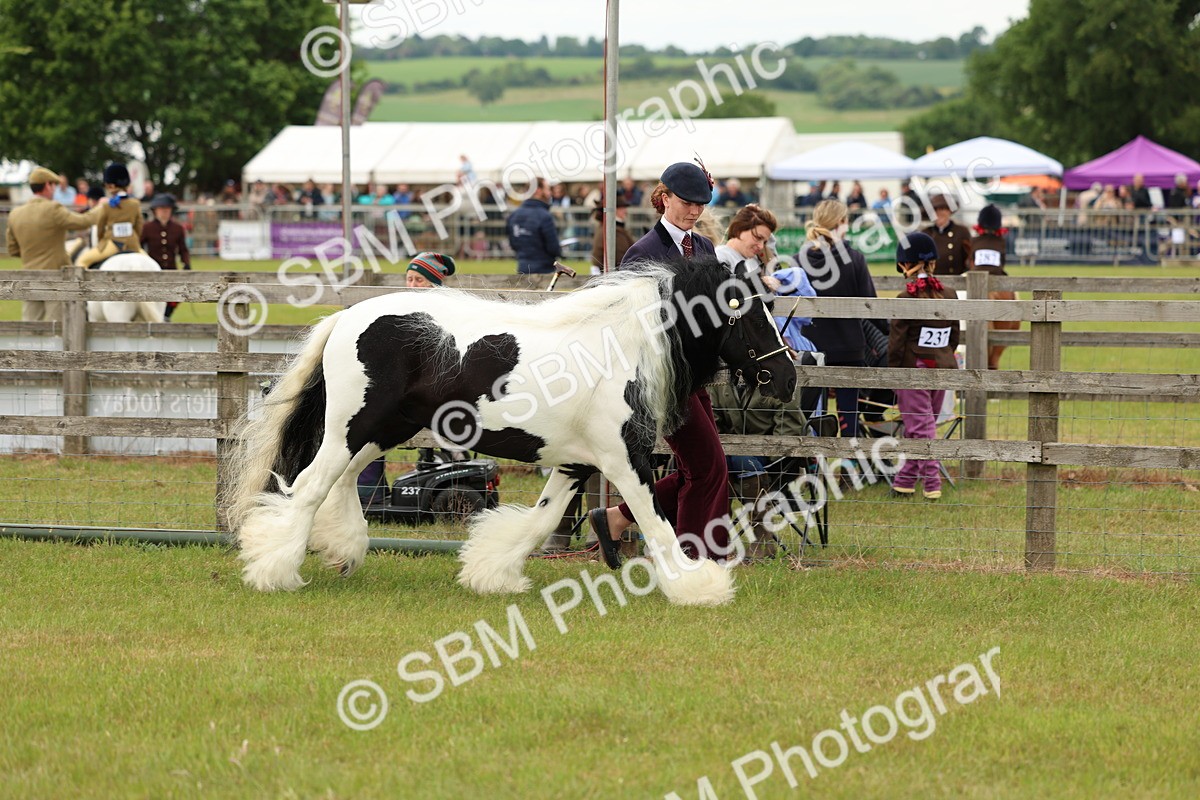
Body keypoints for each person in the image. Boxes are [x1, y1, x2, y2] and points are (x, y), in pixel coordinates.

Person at [589, 160, 729, 566]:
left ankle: (617, 518)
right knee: (708, 466)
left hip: (696, 376)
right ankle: (692, 558)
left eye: (701, 204)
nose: (695, 211)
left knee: (699, 468)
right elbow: (630, 325)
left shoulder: (704, 248)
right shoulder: (643, 253)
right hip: (660, 382)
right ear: (664, 197)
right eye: (687, 202)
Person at [357, 253, 458, 504]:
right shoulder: (398, 309)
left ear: (435, 284)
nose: (412, 285)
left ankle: (448, 474)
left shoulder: (450, 312)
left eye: (419, 280)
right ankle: (370, 492)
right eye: (409, 279)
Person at [795, 198, 884, 443]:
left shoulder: (798, 259)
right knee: (848, 415)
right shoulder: (854, 258)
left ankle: (813, 467)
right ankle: (849, 468)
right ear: (842, 223)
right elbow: (870, 304)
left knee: (814, 414)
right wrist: (889, 331)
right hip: (849, 346)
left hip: (811, 347)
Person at [888, 232, 960, 500]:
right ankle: (904, 481)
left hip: (913, 371)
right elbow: (954, 336)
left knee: (921, 428)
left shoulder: (905, 299)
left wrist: (895, 375)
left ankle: (932, 484)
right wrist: (944, 355)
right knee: (920, 427)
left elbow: (895, 345)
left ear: (906, 264)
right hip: (941, 368)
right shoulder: (950, 294)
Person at [5, 166, 103, 321]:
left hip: (29, 275)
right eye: (54, 185)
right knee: (56, 327)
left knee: (30, 327)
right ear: (47, 185)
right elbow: (84, 222)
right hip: (55, 276)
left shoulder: (15, 213)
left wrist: (31, 256)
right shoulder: (53, 208)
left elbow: (12, 250)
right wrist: (101, 207)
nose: (55, 190)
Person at [970, 204, 1017, 370]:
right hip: (998, 280)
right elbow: (1002, 264)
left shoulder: (973, 241)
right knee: (1016, 302)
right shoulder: (1001, 242)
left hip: (976, 282)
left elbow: (971, 263)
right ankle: (994, 361)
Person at [76, 163, 143, 268]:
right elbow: (139, 226)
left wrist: (102, 241)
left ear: (110, 186)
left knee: (82, 261)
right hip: (132, 243)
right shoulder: (135, 203)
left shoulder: (107, 205)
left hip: (112, 243)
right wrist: (134, 238)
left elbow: (100, 227)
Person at [141, 194, 191, 320]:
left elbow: (183, 249)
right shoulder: (147, 228)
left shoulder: (178, 228)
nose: (164, 212)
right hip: (153, 270)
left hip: (171, 269)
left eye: (167, 209)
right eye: (161, 209)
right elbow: (139, 247)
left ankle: (166, 315)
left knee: (176, 295)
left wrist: (186, 263)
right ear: (155, 211)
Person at [506, 177, 561, 275]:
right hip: (544, 270)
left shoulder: (514, 215)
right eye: (547, 189)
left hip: (522, 268)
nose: (549, 193)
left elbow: (513, 244)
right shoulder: (544, 216)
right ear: (538, 191)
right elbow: (553, 248)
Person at [923, 194, 972, 275]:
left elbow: (969, 258)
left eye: (942, 209)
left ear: (949, 211)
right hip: (932, 282)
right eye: (935, 210)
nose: (938, 213)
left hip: (956, 281)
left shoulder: (962, 232)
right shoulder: (925, 234)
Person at [589, 194, 633, 272]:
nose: (625, 211)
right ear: (615, 210)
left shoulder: (607, 227)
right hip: (610, 275)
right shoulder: (613, 230)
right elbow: (621, 258)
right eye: (623, 208)